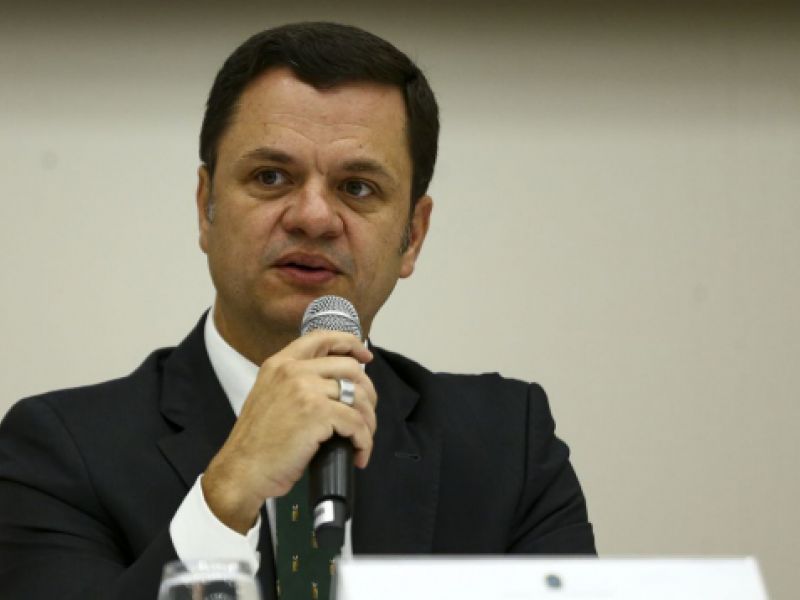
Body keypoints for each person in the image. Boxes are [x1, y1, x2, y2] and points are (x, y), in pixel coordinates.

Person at [0, 22, 595, 600]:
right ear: (206, 207)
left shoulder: (508, 447)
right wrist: (225, 496)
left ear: (412, 236)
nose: (313, 217)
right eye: (271, 176)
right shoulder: (58, 451)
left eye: (357, 187)